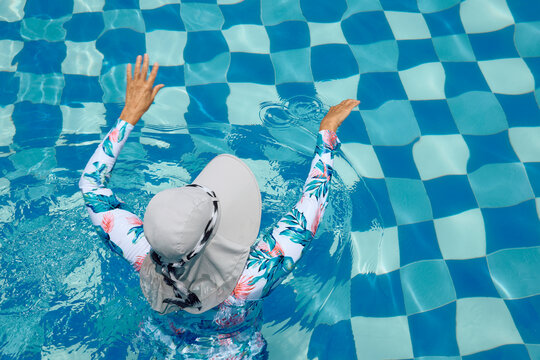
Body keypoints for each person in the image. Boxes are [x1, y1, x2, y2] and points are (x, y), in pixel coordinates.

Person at [79, 54, 360, 359]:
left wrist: (129, 115)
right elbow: (311, 208)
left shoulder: (138, 250)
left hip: (160, 345)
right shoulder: (252, 278)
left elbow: (91, 184)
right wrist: (326, 134)